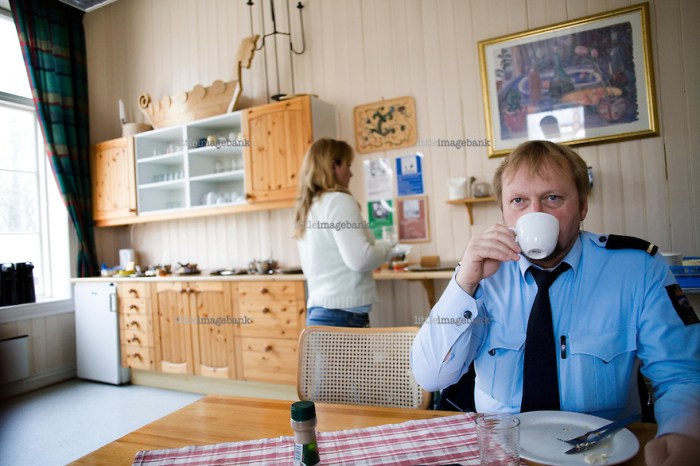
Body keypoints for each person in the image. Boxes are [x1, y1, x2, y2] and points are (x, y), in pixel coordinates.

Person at [411, 140, 700, 465]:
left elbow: (681, 375)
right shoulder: (481, 273)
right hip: (500, 452)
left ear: (582, 207)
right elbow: (431, 377)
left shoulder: (638, 269)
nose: (535, 213)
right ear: (504, 212)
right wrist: (464, 282)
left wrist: (683, 433)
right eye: (519, 200)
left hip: (604, 454)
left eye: (552, 198)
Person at [294, 138, 394, 327]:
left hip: (319, 314)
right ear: (334, 166)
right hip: (343, 316)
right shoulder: (338, 201)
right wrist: (389, 247)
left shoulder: (309, 206)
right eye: (347, 165)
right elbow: (361, 259)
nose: (351, 173)